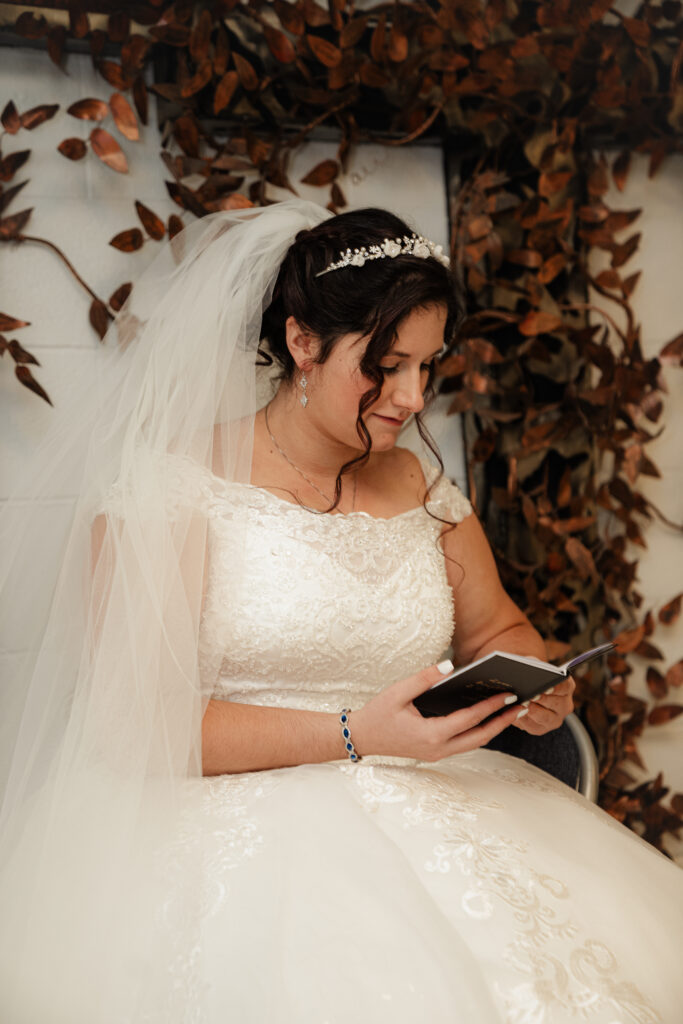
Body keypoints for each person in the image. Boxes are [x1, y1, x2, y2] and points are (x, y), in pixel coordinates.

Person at [0, 200, 681, 1024]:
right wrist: (357, 734)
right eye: (385, 366)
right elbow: (135, 725)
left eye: (427, 368)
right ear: (301, 342)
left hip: (447, 799)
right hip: (229, 838)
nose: (410, 398)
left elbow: (496, 628)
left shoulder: (421, 487)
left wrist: (533, 679)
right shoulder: (173, 489)